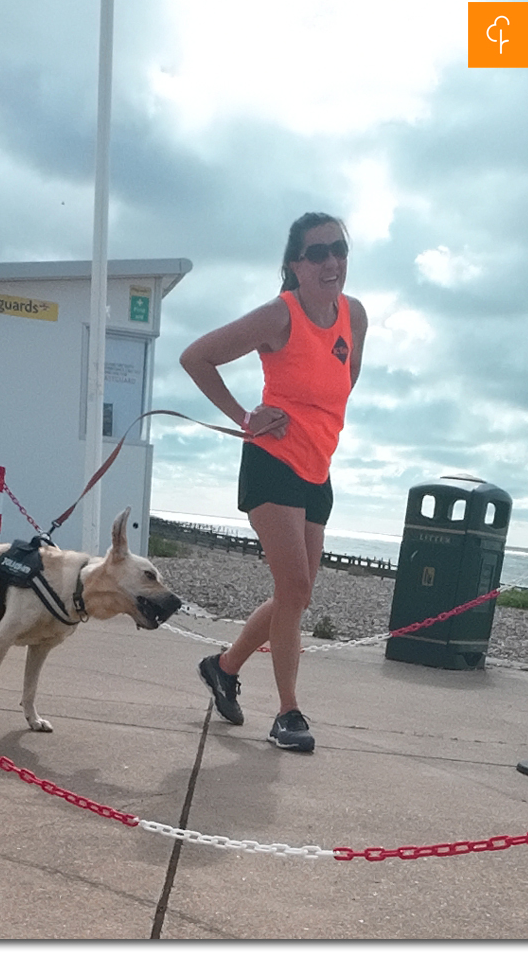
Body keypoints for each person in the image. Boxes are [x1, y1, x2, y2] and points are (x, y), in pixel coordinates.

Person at [180, 212, 368, 752]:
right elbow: (197, 357)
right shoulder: (278, 316)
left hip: (317, 469)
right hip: (272, 462)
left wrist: (317, 427)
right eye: (317, 253)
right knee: (296, 589)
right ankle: (288, 713)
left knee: (297, 594)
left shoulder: (353, 316)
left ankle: (223, 666)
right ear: (294, 265)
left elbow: (342, 383)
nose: (331, 261)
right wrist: (246, 416)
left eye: (338, 248)